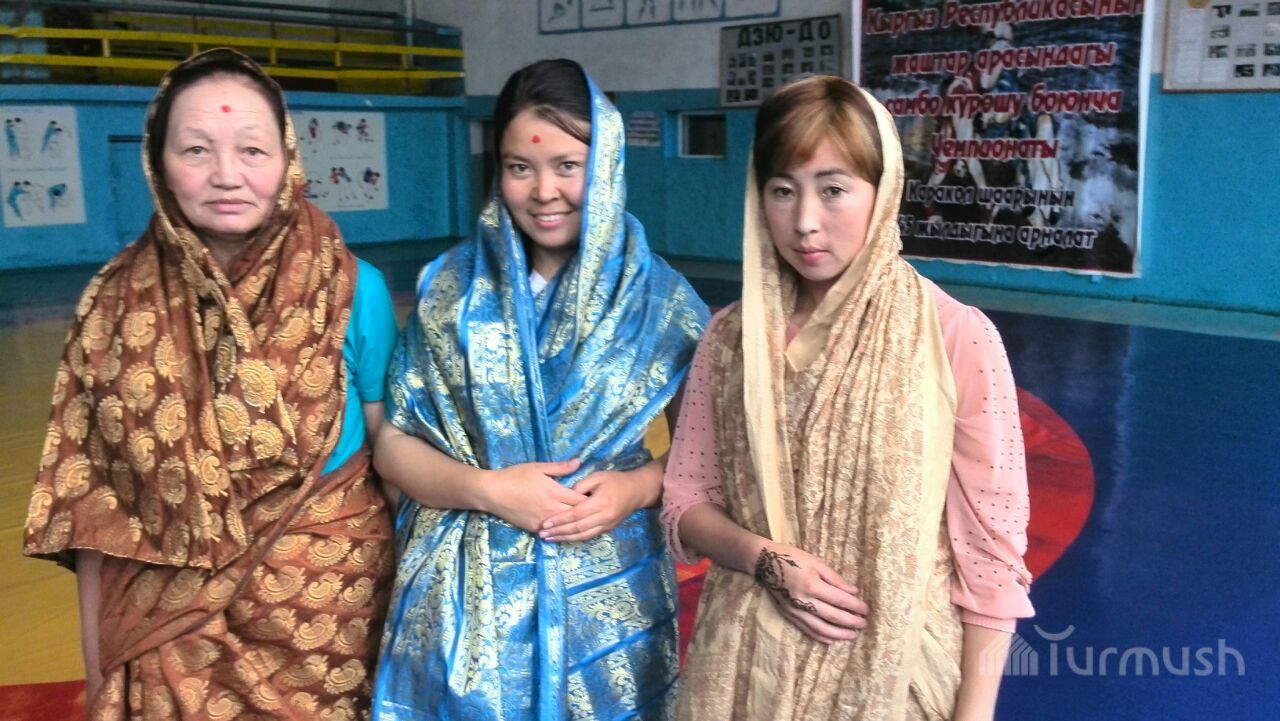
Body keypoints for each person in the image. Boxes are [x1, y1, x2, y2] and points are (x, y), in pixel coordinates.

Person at [23, 48, 396, 719]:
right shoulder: (113, 308)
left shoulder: (351, 289)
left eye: (252, 150)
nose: (227, 174)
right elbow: (93, 512)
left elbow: (394, 468)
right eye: (196, 150)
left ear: (286, 159)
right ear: (158, 163)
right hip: (162, 638)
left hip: (333, 633)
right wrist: (99, 665)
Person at [662, 76, 1034, 721]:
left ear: (883, 191)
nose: (805, 221)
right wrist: (764, 559)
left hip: (893, 680)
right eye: (783, 190)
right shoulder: (730, 340)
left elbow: (991, 558)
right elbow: (685, 499)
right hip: (746, 673)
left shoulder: (953, 337)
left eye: (833, 189)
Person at [372, 58, 708, 720]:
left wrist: (635, 488)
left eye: (567, 165)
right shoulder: (450, 292)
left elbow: (705, 457)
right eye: (519, 167)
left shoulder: (661, 302)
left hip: (608, 606)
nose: (543, 190)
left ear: (606, 164)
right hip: (465, 614)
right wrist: (489, 490)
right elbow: (392, 447)